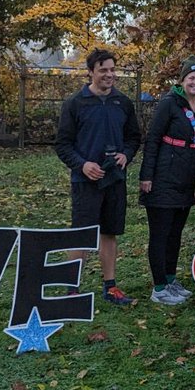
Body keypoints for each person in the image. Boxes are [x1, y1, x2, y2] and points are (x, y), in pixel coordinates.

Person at [54, 48, 142, 306]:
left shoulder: (122, 103)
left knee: (110, 232)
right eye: (103, 70)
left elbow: (134, 137)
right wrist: (82, 165)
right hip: (86, 182)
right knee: (81, 234)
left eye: (112, 69)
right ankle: (72, 290)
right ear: (90, 72)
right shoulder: (75, 103)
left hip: (115, 180)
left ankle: (110, 287)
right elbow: (62, 144)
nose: (109, 74)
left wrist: (126, 154)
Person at [139, 57, 195, 306]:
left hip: (185, 180)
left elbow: (194, 145)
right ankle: (159, 287)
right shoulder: (169, 104)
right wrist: (146, 176)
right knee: (160, 233)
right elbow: (153, 139)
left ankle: (170, 279)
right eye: (191, 78)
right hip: (162, 177)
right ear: (182, 81)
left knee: (175, 233)